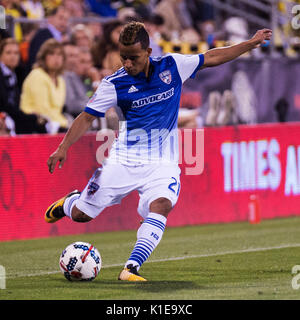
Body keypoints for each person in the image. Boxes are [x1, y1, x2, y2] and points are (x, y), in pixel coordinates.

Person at [45, 22, 272, 281]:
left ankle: (131, 268)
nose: (128, 63)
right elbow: (86, 117)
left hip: (162, 162)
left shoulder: (172, 66)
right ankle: (71, 202)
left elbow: (211, 57)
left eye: (134, 57)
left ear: (149, 51)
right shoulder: (114, 84)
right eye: (124, 57)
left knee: (162, 205)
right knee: (82, 215)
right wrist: (63, 147)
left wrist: (249, 44)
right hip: (124, 160)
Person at [0, 38, 48, 134]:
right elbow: (4, 104)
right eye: (8, 53)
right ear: (1, 55)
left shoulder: (19, 72)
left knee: (41, 123)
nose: (13, 56)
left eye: (16, 53)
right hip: (4, 115)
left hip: (16, 114)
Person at [20, 38, 68, 133]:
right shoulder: (37, 75)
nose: (56, 58)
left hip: (56, 125)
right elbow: (42, 109)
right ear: (44, 57)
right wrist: (65, 123)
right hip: (34, 124)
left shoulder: (60, 80)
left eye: (59, 54)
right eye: (51, 54)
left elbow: (57, 110)